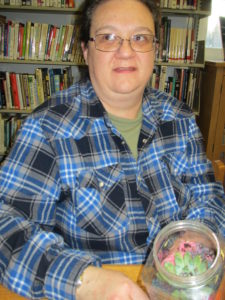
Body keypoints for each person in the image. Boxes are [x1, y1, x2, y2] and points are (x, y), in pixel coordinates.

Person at [0, 0, 224, 299]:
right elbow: (6, 230)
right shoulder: (47, 128)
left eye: (140, 38)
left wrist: (200, 234)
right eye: (108, 37)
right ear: (85, 51)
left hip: (179, 286)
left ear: (154, 50)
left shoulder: (179, 118)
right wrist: (84, 281)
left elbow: (207, 193)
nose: (126, 51)